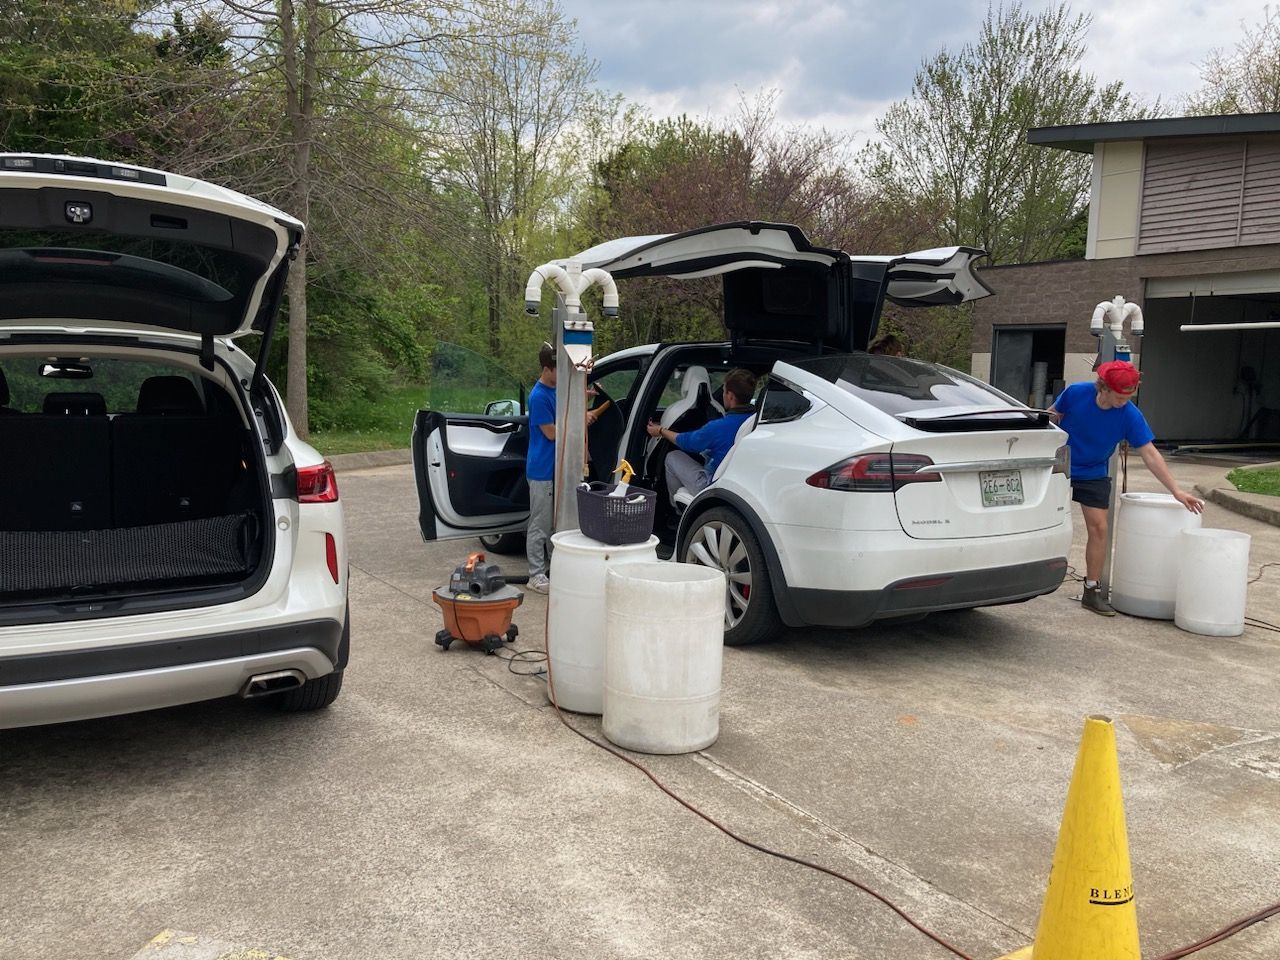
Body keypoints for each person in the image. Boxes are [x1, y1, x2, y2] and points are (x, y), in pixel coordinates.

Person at [1048, 360, 1203, 616]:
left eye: (1128, 397)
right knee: (1042, 523)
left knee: (1100, 528)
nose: (1124, 402)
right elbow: (1052, 416)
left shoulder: (1130, 415)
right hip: (1059, 464)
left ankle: (1091, 590)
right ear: (1104, 388)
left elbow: (1150, 454)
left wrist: (1176, 490)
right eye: (1120, 397)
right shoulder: (1076, 393)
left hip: (1093, 472)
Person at [525, 342, 597, 595]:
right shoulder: (538, 397)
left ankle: (556, 569)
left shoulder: (556, 389)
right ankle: (535, 575)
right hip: (542, 471)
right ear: (547, 369)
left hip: (560, 469)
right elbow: (551, 433)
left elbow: (563, 406)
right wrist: (580, 418)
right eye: (560, 370)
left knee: (558, 524)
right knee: (540, 524)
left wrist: (583, 397)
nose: (564, 374)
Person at [646, 368, 757, 505]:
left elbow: (687, 442)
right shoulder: (756, 421)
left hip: (713, 487)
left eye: (723, 391)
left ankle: (676, 510)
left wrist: (661, 431)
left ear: (730, 396)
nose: (722, 395)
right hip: (739, 484)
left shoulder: (719, 427)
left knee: (672, 457)